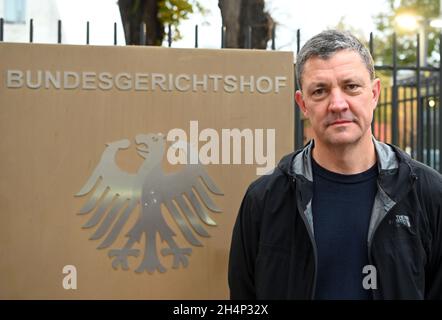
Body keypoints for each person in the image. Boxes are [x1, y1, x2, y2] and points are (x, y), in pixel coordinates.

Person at [228, 29, 442, 300]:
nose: (338, 104)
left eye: (351, 86)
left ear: (374, 94)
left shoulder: (428, 193)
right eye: (320, 91)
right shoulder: (264, 199)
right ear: (302, 104)